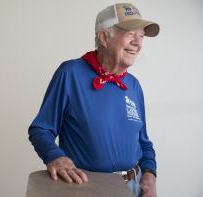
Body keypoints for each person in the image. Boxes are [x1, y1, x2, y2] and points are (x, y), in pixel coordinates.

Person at [28, 3, 159, 197]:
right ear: (104, 37)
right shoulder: (71, 73)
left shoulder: (134, 85)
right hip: (86, 187)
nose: (138, 43)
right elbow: (41, 129)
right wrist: (55, 157)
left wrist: (149, 174)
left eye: (141, 36)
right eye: (130, 33)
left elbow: (144, 142)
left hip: (133, 186)